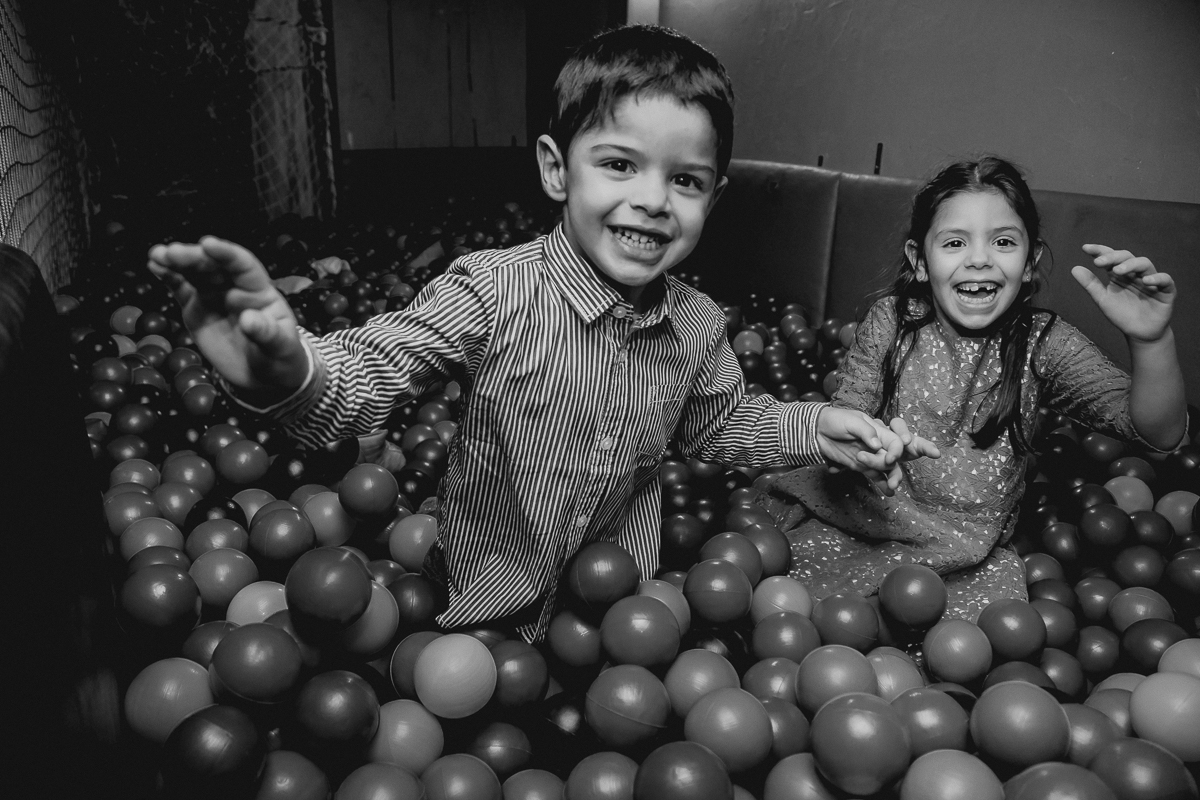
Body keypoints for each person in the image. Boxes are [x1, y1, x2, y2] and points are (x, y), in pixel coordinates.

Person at [148, 24, 936, 642]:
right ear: (559, 170)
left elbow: (723, 424)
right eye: (620, 165)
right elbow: (372, 375)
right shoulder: (493, 289)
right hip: (480, 593)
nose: (654, 200)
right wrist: (283, 370)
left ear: (714, 197)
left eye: (685, 181)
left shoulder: (697, 324)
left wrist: (818, 427)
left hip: (618, 605)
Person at [759, 155, 1187, 622]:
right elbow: (849, 414)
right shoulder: (891, 321)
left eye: (1003, 241)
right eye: (955, 242)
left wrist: (1151, 341)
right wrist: (871, 450)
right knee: (793, 608)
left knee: (969, 647)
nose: (979, 258)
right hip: (862, 517)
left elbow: (1159, 433)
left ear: (1030, 263)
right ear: (920, 262)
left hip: (966, 553)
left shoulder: (1044, 343)